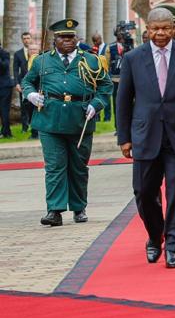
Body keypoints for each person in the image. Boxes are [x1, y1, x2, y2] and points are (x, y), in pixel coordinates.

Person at [116, 8, 175, 268]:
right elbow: (123, 100)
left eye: (165, 28)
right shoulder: (134, 58)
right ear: (147, 29)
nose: (160, 34)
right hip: (144, 136)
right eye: (154, 29)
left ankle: (172, 246)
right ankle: (154, 236)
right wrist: (124, 137)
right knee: (144, 192)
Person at [21, 19, 113, 226]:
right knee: (54, 166)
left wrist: (96, 104)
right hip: (50, 120)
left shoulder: (91, 60)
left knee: (79, 167)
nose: (68, 41)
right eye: (63, 37)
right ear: (55, 40)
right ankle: (55, 210)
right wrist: (31, 95)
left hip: (80, 119)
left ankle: (79, 208)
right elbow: (27, 81)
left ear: (77, 38)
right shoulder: (41, 61)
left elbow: (106, 86)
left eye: (71, 37)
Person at [14, 32, 35, 136]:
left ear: (31, 39)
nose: (26, 40)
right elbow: (15, 70)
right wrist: (17, 84)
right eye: (24, 38)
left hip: (35, 84)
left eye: (28, 38)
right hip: (23, 84)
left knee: (34, 106)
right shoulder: (18, 54)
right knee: (24, 106)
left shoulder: (36, 52)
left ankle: (34, 126)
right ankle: (24, 127)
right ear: (22, 40)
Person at [0, 38, 14, 137]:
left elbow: (4, 67)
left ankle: (6, 132)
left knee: (4, 110)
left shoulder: (4, 53)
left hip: (5, 87)